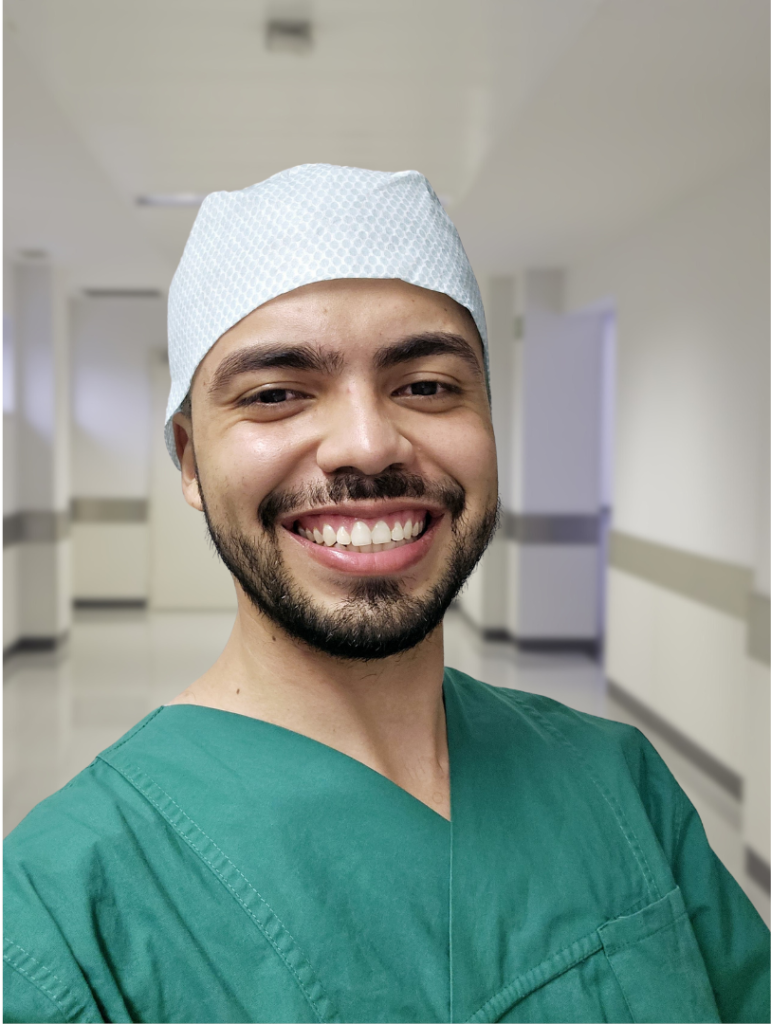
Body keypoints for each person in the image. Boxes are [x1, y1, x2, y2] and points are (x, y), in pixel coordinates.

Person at [3, 164, 768, 1024]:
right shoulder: (61, 914)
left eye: (427, 386)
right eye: (276, 395)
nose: (367, 445)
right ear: (189, 460)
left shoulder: (616, 783)